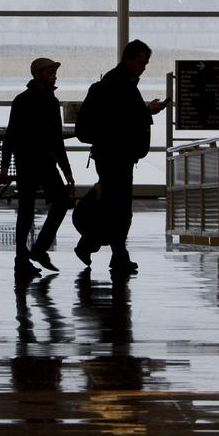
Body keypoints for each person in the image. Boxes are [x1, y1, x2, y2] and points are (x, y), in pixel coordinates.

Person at [76, 40, 166, 273]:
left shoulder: (115, 81)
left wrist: (144, 110)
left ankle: (98, 247)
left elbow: (118, 116)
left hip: (111, 154)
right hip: (116, 155)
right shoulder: (120, 83)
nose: (144, 67)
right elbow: (121, 119)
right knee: (119, 207)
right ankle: (112, 253)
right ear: (130, 59)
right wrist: (148, 111)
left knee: (114, 205)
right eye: (141, 62)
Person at [0, 57, 75, 279]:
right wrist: (66, 170)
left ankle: (24, 257)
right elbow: (55, 141)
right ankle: (36, 250)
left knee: (27, 210)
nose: (55, 76)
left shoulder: (25, 101)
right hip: (40, 163)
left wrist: (5, 166)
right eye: (51, 72)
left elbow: (11, 136)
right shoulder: (48, 102)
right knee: (55, 203)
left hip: (28, 163)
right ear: (39, 74)